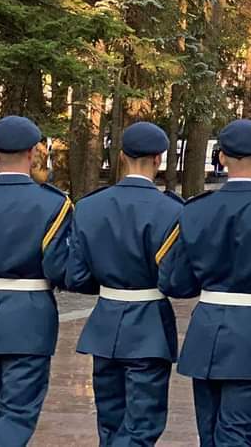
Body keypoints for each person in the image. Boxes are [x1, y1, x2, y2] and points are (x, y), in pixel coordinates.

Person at [158, 119, 251, 446]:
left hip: (205, 330)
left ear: (221, 158)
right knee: (237, 434)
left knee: (209, 435)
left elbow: (176, 281)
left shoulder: (195, 209)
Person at [65, 121, 184, 446]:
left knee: (110, 423)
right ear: (159, 159)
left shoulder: (89, 206)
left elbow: (76, 276)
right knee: (142, 426)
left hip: (104, 324)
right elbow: (175, 280)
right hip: (149, 327)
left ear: (121, 156)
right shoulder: (173, 210)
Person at [0, 115, 73, 446]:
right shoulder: (53, 204)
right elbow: (59, 268)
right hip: (28, 317)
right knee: (17, 412)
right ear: (34, 153)